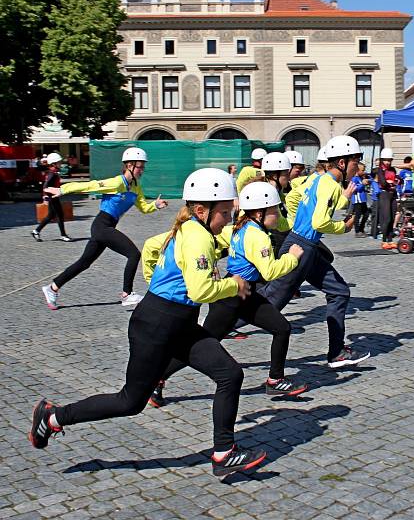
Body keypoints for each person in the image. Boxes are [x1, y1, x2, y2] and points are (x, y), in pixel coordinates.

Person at [29, 168, 267, 478]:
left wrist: (157, 280)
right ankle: (52, 417)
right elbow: (200, 290)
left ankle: (223, 452)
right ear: (201, 210)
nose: (227, 219)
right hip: (156, 324)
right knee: (130, 401)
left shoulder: (194, 229)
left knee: (230, 374)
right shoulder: (197, 237)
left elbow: (154, 247)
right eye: (224, 213)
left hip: (179, 322)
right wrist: (234, 285)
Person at [149, 180, 306, 407]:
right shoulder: (257, 235)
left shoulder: (244, 226)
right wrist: (292, 257)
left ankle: (275, 379)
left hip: (246, 293)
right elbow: (270, 271)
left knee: (282, 328)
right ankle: (158, 377)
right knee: (204, 343)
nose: (277, 215)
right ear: (259, 212)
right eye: (274, 211)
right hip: (232, 297)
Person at [263, 134, 370, 368]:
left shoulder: (317, 180)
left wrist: (344, 198)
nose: (358, 166)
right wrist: (344, 227)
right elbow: (320, 221)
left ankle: (336, 353)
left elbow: (310, 201)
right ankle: (208, 332)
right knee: (266, 305)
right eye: (355, 160)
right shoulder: (329, 185)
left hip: (304, 245)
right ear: (342, 163)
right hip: (301, 248)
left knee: (340, 291)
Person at [41, 147, 168, 309]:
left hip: (106, 227)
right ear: (129, 165)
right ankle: (127, 294)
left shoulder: (136, 187)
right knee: (134, 254)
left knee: (84, 263)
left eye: (143, 166)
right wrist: (63, 189)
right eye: (139, 166)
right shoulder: (117, 182)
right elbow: (90, 186)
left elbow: (143, 208)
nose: (142, 170)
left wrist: (155, 205)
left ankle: (52, 288)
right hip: (102, 225)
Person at [31, 152, 71, 242]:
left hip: (53, 196)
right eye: (59, 162)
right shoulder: (52, 173)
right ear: (54, 163)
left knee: (51, 215)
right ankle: (63, 235)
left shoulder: (53, 172)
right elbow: (46, 185)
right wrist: (45, 196)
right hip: (52, 197)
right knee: (59, 215)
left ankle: (36, 231)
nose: (60, 164)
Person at [375, 148, 398, 248]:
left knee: (392, 217)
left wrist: (393, 182)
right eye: (385, 160)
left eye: (389, 160)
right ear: (382, 160)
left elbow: (397, 180)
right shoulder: (380, 170)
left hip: (392, 194)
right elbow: (383, 183)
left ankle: (390, 239)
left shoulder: (392, 170)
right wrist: (391, 183)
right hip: (384, 195)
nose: (387, 162)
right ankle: (384, 240)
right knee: (387, 218)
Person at [350, 163, 369, 237]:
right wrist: (362, 184)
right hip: (357, 200)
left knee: (366, 214)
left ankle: (361, 229)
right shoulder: (354, 179)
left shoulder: (361, 178)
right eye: (362, 170)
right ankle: (357, 231)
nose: (364, 172)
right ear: (357, 170)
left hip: (363, 200)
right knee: (357, 216)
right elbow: (354, 189)